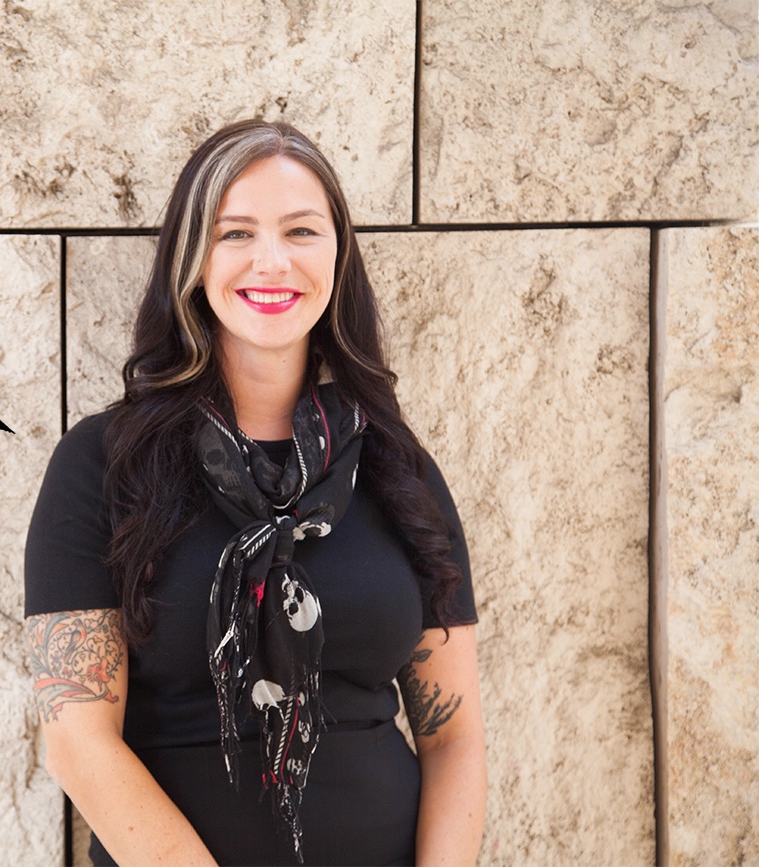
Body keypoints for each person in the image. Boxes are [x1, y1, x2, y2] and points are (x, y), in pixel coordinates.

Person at [24, 119, 485, 866]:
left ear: (338, 255)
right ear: (193, 259)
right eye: (235, 233)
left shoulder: (400, 468)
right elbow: (78, 744)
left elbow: (453, 735)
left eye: (302, 230)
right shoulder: (101, 465)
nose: (272, 260)